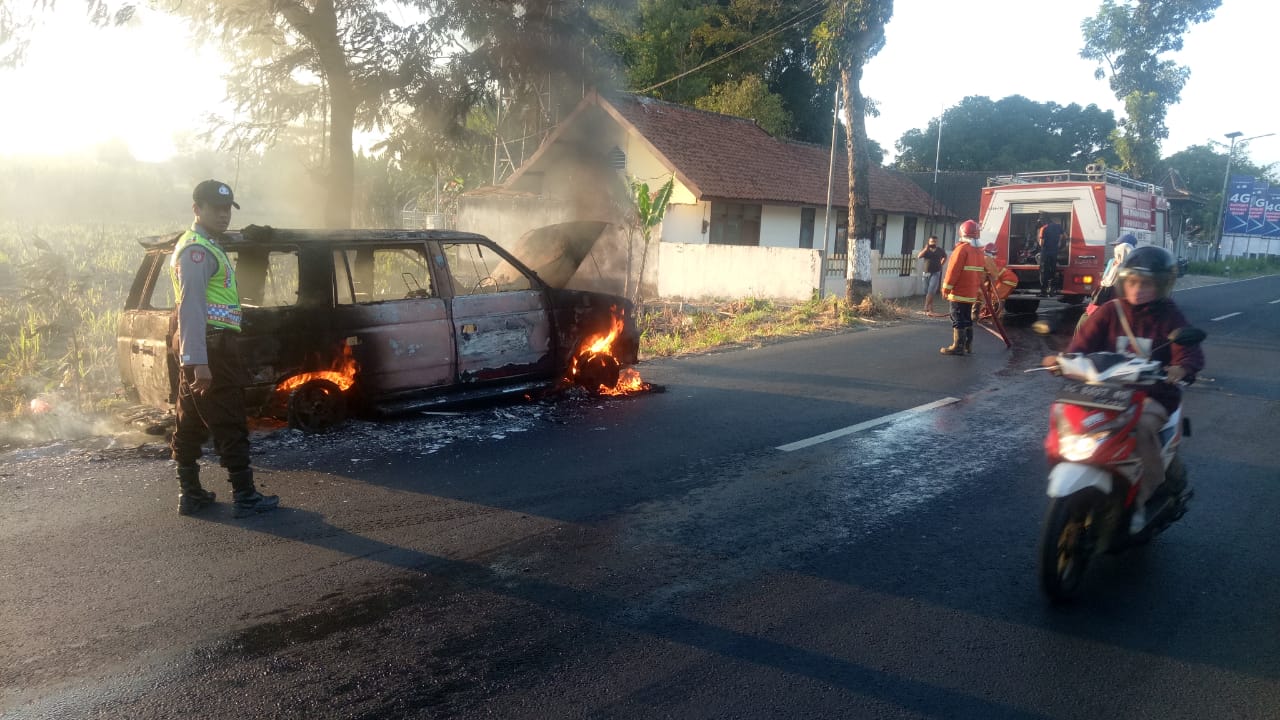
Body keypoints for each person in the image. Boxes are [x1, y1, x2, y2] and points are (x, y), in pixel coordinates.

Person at [1045, 246, 1204, 533]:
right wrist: (1061, 361)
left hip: (1154, 394)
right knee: (1066, 415)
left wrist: (1181, 367)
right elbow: (1080, 347)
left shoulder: (1169, 316)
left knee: (1142, 427)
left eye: (1146, 283)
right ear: (1122, 280)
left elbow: (1188, 351)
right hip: (1105, 391)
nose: (1138, 289)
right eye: (1132, 281)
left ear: (1161, 285)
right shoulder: (1109, 311)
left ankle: (1143, 497)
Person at [170, 180, 280, 517]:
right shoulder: (196, 251)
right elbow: (191, 307)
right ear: (196, 209)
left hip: (205, 345)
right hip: (211, 347)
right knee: (230, 420)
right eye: (214, 208)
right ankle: (245, 497)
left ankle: (191, 494)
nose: (222, 215)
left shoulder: (206, 244)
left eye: (227, 209)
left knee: (188, 420)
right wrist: (198, 361)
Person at [939, 219, 987, 356]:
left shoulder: (961, 249)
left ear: (962, 233)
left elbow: (952, 271)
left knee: (957, 317)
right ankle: (968, 346)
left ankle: (957, 347)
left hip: (959, 291)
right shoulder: (979, 251)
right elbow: (981, 273)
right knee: (966, 318)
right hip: (971, 292)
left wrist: (945, 289)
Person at [917, 235, 947, 315]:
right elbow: (919, 256)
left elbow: (945, 257)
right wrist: (925, 249)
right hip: (926, 272)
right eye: (931, 242)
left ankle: (925, 307)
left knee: (931, 289)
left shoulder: (940, 250)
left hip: (936, 272)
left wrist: (941, 264)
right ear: (928, 242)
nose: (933, 243)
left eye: (934, 242)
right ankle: (931, 308)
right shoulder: (926, 250)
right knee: (927, 291)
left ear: (936, 242)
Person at [1037, 216, 1064, 296]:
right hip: (1054, 251)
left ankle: (1043, 291)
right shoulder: (1058, 226)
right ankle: (1052, 290)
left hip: (1046, 252)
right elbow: (1063, 236)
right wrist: (1058, 243)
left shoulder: (1043, 228)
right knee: (1053, 269)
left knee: (1044, 271)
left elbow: (1041, 243)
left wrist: (1039, 242)